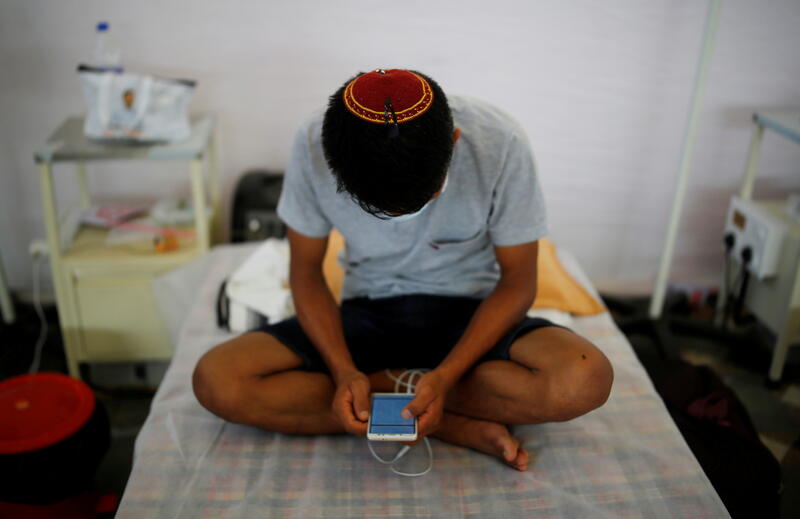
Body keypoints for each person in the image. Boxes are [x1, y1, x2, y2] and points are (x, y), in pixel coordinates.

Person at [193, 69, 613, 471]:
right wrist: (342, 371)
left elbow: (519, 280)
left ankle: (392, 400)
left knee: (584, 378)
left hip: (472, 318)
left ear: (455, 141)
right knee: (218, 380)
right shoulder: (312, 143)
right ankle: (445, 421)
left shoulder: (500, 142)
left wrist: (447, 377)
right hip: (366, 315)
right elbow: (305, 272)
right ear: (334, 165)